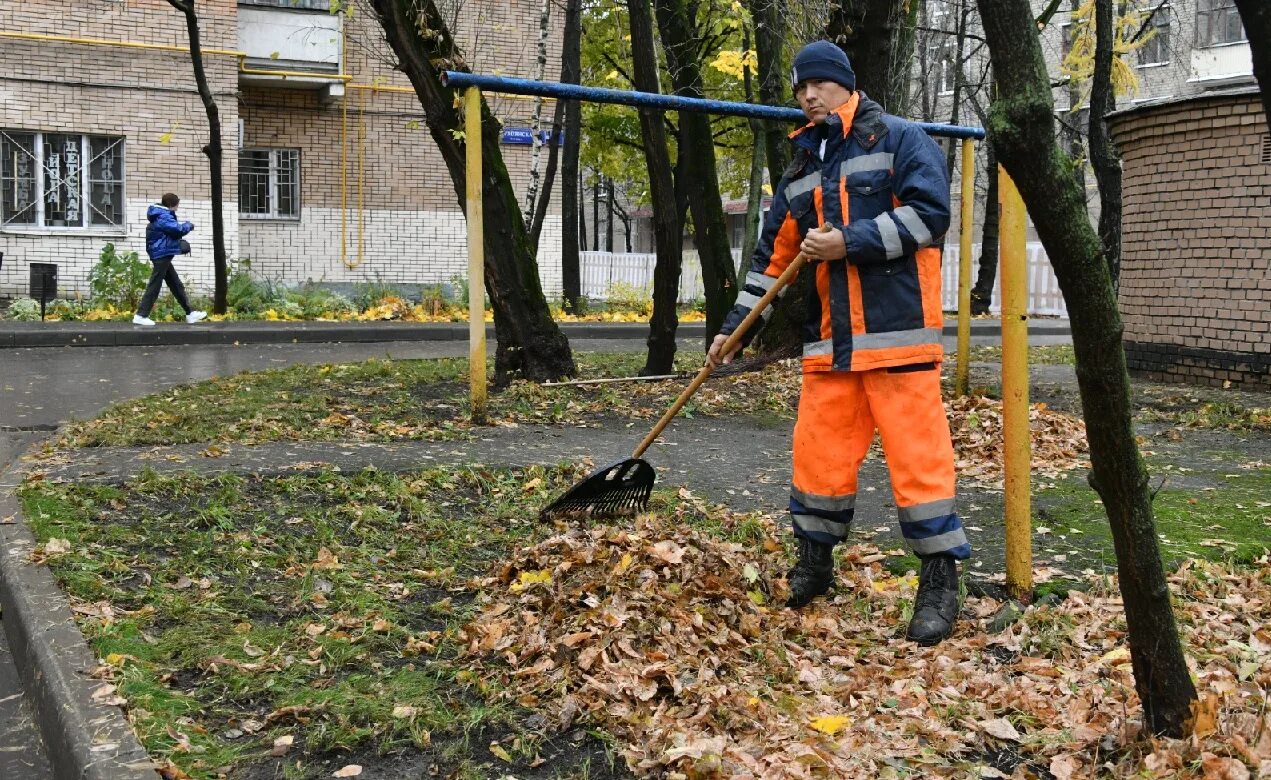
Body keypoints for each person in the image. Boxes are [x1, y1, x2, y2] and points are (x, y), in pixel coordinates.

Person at [707, 40, 971, 646]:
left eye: (818, 85)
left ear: (845, 85)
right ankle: (815, 564)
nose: (807, 96)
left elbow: (931, 217)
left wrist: (847, 241)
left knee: (919, 465)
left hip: (898, 341)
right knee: (818, 459)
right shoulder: (800, 168)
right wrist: (732, 330)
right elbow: (769, 264)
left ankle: (938, 584)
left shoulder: (902, 139)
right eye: (800, 89)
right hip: (831, 347)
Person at [133, 192, 206, 326]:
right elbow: (177, 229)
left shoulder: (160, 214)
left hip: (162, 253)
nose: (177, 208)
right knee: (155, 283)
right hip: (161, 253)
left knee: (175, 284)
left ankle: (190, 313)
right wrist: (188, 225)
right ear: (172, 205)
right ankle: (141, 315)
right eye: (177, 205)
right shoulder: (163, 216)